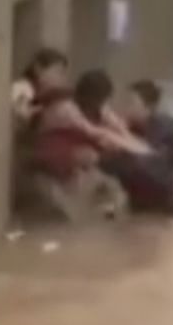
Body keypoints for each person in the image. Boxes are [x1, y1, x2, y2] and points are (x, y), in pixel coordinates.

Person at [26, 67, 147, 222]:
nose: (103, 104)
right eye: (100, 99)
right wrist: (132, 147)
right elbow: (92, 131)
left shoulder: (99, 108)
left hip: (76, 166)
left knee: (112, 189)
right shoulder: (66, 109)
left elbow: (118, 127)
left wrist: (138, 145)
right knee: (91, 156)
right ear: (89, 96)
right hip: (50, 159)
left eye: (104, 100)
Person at [117, 79, 173, 216]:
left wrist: (122, 138)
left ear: (149, 107)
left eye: (131, 103)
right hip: (137, 203)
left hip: (163, 205)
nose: (126, 108)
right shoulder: (128, 126)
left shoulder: (166, 126)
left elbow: (151, 156)